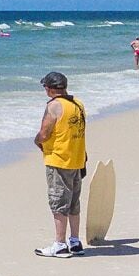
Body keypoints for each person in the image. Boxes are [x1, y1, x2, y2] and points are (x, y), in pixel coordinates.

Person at [34, 71, 88, 256]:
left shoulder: (54, 106)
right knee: (73, 203)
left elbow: (44, 133)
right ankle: (75, 241)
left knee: (58, 203)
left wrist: (37, 141)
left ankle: (59, 244)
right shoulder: (78, 104)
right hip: (77, 159)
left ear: (49, 89)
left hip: (59, 159)